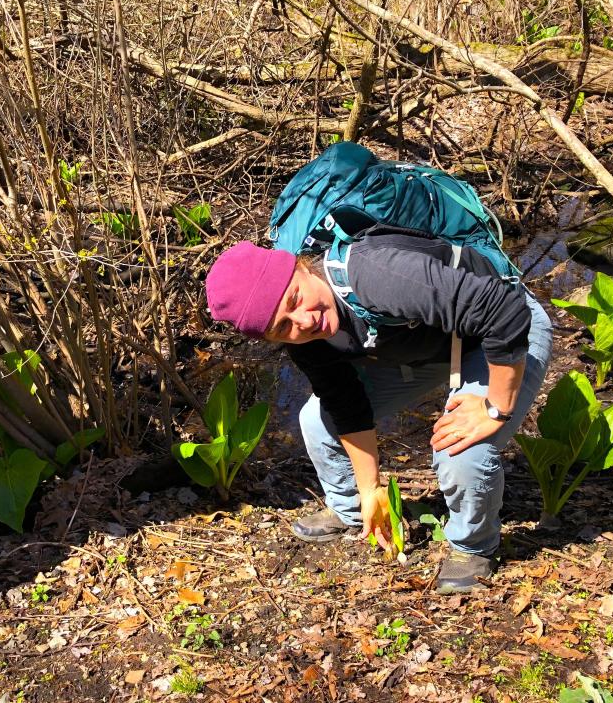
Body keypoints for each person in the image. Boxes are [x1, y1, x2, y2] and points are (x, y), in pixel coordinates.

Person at [205, 230, 552, 594]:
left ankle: (473, 548)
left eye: (295, 299)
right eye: (283, 326)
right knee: (318, 420)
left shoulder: (374, 274)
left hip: (503, 332)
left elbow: (504, 311)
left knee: (461, 446)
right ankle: (353, 509)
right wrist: (371, 487)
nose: (303, 322)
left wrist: (495, 407)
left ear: (301, 268)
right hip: (425, 347)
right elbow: (344, 401)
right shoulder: (306, 336)